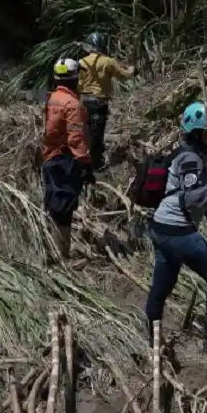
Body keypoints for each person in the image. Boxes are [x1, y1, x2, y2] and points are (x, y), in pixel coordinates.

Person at [145, 101, 207, 353]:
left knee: (164, 281)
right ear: (201, 134)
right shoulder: (190, 159)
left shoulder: (200, 157)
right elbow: (191, 198)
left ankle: (152, 333)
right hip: (176, 230)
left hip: (163, 228)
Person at [42, 58, 95, 264]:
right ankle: (61, 257)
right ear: (75, 78)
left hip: (50, 157)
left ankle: (52, 252)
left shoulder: (52, 98)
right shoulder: (73, 104)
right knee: (64, 209)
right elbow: (76, 137)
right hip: (66, 160)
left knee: (55, 206)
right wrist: (86, 164)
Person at [78, 32, 136, 172]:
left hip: (83, 102)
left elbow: (78, 83)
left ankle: (83, 160)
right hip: (99, 103)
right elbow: (124, 76)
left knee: (85, 132)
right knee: (97, 133)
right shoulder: (108, 61)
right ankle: (96, 164)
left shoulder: (81, 62)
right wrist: (133, 69)